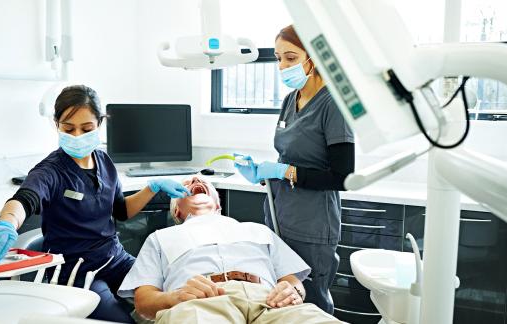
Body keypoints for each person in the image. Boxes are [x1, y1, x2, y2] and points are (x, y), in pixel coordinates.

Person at [0, 85, 191, 323]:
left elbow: (121, 211)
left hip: (115, 258)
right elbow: (24, 199)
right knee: (123, 320)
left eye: (86, 128)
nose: (77, 136)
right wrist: (7, 223)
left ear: (99, 124)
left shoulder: (103, 160)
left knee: (169, 295)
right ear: (57, 125)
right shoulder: (51, 170)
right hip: (76, 271)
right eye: (68, 128)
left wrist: (151, 188)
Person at [234, 25, 355, 315]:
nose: (282, 66)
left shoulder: (334, 104)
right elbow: (291, 153)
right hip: (278, 215)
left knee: (309, 301)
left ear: (314, 58)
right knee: (280, 298)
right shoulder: (292, 99)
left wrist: (282, 171)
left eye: (290, 58)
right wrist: (263, 171)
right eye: (278, 58)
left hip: (312, 223)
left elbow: (343, 176)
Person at [117, 176, 344, 324]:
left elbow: (292, 282)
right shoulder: (160, 238)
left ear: (218, 205)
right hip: (201, 304)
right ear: (176, 212)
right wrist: (175, 297)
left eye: (204, 184)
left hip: (269, 302)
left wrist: (293, 292)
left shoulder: (258, 230)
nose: (196, 179)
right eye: (187, 185)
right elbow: (143, 302)